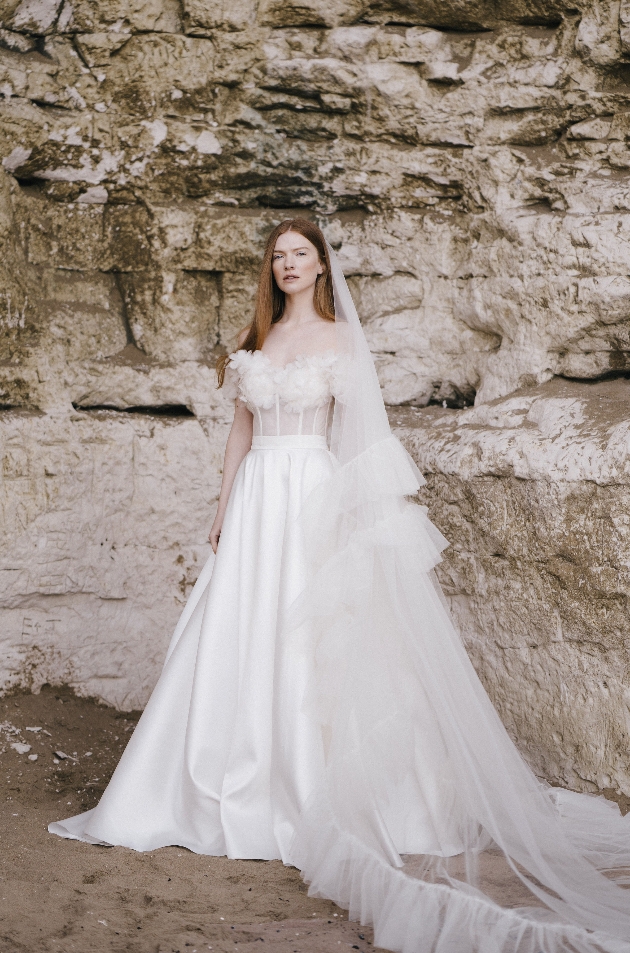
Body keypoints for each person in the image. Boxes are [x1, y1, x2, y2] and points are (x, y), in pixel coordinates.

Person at [50, 220, 630, 953]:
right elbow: (238, 431)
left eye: (300, 254)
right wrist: (223, 504)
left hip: (313, 494)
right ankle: (215, 784)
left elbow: (359, 429)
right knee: (238, 625)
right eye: (278, 256)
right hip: (259, 494)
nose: (288, 265)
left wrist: (364, 519)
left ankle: (320, 790)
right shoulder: (257, 335)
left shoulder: (341, 339)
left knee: (315, 631)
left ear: (321, 265)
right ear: (272, 268)